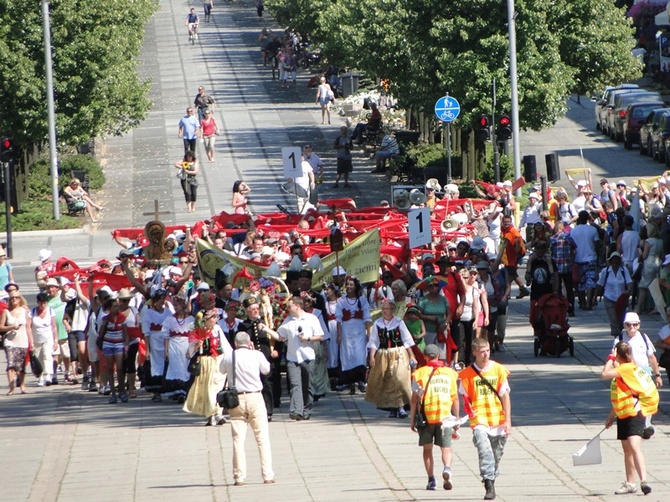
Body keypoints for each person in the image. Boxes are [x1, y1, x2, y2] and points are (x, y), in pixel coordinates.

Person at [601, 340, 658, 495]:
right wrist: (611, 416)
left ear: (618, 356)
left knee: (633, 446)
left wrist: (610, 358)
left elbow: (604, 373)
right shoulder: (629, 368)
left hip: (635, 412)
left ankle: (644, 481)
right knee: (626, 449)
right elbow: (621, 395)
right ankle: (630, 483)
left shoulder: (625, 369)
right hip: (624, 412)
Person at [459, 337, 512, 500]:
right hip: (479, 419)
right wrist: (464, 414)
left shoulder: (498, 370)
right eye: (482, 352)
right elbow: (464, 397)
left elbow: (505, 396)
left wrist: (508, 420)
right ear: (474, 352)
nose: (486, 354)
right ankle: (488, 483)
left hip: (497, 418)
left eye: (488, 350)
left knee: (496, 454)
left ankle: (492, 476)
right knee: (484, 450)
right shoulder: (467, 374)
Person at [221, 331, 275, 486]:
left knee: (238, 439)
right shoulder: (256, 355)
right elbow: (266, 369)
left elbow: (221, 370)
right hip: (255, 397)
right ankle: (267, 475)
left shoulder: (230, 356)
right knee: (262, 437)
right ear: (249, 342)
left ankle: (239, 477)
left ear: (236, 344)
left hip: (236, 399)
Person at [409, 344, 460, 492]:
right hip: (445, 416)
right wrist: (456, 418)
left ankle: (431, 480)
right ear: (439, 356)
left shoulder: (419, 374)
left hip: (426, 416)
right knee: (446, 447)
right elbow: (455, 398)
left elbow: (414, 400)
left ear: (425, 357)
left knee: (427, 449)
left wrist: (412, 419)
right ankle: (447, 469)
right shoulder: (450, 373)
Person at [275, 296, 324, 420]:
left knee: (307, 385)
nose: (287, 308)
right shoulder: (288, 320)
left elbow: (320, 336)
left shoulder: (311, 318)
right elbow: (280, 336)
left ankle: (307, 408)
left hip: (307, 356)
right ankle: (296, 410)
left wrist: (307, 338)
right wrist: (267, 329)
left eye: (289, 306)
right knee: (295, 384)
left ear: (297, 306)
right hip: (292, 358)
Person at [365, 299, 416, 418]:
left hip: (398, 352)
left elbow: (407, 340)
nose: (385, 311)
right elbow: (374, 342)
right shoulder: (378, 323)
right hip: (383, 354)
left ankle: (401, 406)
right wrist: (372, 356)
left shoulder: (399, 322)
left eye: (387, 309)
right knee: (388, 380)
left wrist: (412, 355)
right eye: (383, 309)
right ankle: (393, 408)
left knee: (399, 378)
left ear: (392, 310)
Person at [184, 309, 232, 425]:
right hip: (206, 361)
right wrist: (197, 345)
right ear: (206, 319)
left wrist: (231, 359)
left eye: (216, 317)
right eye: (213, 317)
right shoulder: (197, 331)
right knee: (210, 388)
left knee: (219, 387)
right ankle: (211, 414)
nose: (215, 320)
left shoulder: (217, 329)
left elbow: (225, 346)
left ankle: (218, 414)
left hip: (218, 361)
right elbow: (189, 352)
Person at [335, 276, 371, 393]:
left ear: (356, 286)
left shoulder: (362, 301)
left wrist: (368, 333)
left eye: (351, 285)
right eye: (348, 285)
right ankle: (348, 381)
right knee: (348, 355)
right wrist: (339, 335)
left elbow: (367, 318)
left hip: (359, 330)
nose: (349, 287)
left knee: (360, 355)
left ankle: (360, 380)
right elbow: (339, 320)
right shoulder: (341, 301)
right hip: (346, 331)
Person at [98, 295, 130, 404]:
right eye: (114, 306)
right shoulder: (105, 319)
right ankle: (113, 393)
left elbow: (126, 334)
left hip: (119, 344)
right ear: (110, 308)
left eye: (117, 306)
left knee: (120, 368)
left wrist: (126, 348)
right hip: (108, 344)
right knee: (110, 368)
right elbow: (101, 334)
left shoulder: (122, 318)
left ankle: (121, 390)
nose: (117, 308)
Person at [1, 290, 32, 395]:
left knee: (21, 366)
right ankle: (12, 388)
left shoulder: (24, 311)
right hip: (10, 341)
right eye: (12, 298)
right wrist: (11, 327)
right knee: (10, 364)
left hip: (22, 340)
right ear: (9, 299)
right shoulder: (6, 312)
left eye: (16, 297)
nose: (14, 299)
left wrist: (31, 342)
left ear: (20, 299)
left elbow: (28, 327)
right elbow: (1, 327)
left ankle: (22, 385)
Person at [596, 252, 633, 337]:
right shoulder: (605, 271)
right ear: (611, 261)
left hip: (622, 298)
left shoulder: (624, 270)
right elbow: (600, 284)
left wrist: (629, 290)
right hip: (609, 298)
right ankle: (616, 336)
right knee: (614, 319)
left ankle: (619, 333)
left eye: (617, 260)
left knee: (621, 319)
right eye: (614, 260)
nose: (615, 262)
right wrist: (594, 298)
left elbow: (629, 281)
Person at [570, 210, 600, 311]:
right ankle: (589, 302)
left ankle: (582, 302)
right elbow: (597, 244)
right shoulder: (592, 230)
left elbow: (571, 245)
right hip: (591, 258)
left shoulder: (574, 230)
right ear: (588, 218)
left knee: (580, 282)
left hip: (578, 259)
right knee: (590, 281)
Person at [30, 292, 58, 386]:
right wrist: (31, 342)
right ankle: (40, 377)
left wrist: (56, 340)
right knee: (38, 357)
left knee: (47, 355)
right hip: (36, 338)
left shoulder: (50, 311)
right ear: (37, 302)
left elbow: (54, 327)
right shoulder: (32, 312)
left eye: (44, 303)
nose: (42, 305)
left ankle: (48, 376)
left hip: (48, 338)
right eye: (40, 303)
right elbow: (28, 327)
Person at [550, 221, 577, 316]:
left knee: (558, 289)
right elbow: (574, 249)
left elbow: (549, 253)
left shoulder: (552, 239)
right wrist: (571, 258)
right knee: (569, 289)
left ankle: (560, 308)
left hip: (556, 267)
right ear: (562, 228)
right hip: (567, 266)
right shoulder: (568, 238)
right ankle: (571, 309)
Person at [500, 215, 529, 299]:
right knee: (513, 273)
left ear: (511, 222)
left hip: (513, 257)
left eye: (508, 222)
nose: (506, 223)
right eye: (505, 222)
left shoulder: (513, 231)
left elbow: (518, 241)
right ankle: (523, 290)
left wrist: (516, 255)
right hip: (508, 256)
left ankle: (506, 293)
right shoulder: (504, 229)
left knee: (509, 275)